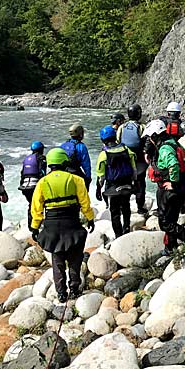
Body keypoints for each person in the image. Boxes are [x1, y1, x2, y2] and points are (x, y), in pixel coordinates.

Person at [30, 148, 94, 302]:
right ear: (65, 162)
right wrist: (90, 218)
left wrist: (35, 226)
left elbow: (36, 207)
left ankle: (61, 293)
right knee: (75, 257)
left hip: (52, 225)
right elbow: (85, 203)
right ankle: (74, 288)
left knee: (57, 259)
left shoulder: (42, 182)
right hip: (72, 222)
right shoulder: (76, 179)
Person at [143, 119, 185, 254]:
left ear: (154, 136)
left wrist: (173, 182)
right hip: (181, 187)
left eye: (150, 137)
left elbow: (174, 165)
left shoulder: (164, 149)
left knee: (164, 222)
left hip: (170, 189)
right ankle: (170, 247)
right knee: (172, 218)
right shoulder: (175, 144)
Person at [96, 126, 137, 238]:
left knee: (115, 212)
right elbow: (134, 169)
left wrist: (99, 189)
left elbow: (101, 176)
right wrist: (134, 182)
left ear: (103, 140)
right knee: (126, 206)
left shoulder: (104, 154)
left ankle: (118, 235)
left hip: (113, 187)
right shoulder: (126, 149)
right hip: (127, 184)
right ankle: (127, 228)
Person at [118, 104, 148, 214]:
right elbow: (146, 142)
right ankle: (140, 208)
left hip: (125, 161)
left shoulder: (122, 127)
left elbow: (118, 142)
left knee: (125, 184)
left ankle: (124, 207)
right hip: (139, 160)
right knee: (140, 184)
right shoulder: (142, 127)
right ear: (139, 114)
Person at [19, 141, 47, 229]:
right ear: (41, 149)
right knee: (41, 204)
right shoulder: (41, 158)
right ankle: (37, 225)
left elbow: (22, 173)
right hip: (34, 186)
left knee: (31, 204)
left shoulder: (26, 159)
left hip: (24, 187)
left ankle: (30, 225)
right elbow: (42, 172)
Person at [61, 124, 92, 190]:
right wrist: (88, 178)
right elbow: (86, 165)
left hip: (63, 173)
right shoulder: (81, 146)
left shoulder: (63, 145)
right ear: (80, 134)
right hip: (76, 173)